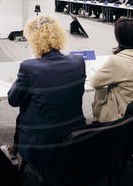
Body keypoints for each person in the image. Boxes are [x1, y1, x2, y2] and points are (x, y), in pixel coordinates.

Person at [8, 16, 86, 167]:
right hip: (75, 135)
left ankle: (12, 153)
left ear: (34, 40)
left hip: (41, 143)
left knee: (25, 107)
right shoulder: (78, 62)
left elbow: (13, 100)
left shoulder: (29, 67)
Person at [90, 17, 133, 122]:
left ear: (119, 38)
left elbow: (94, 83)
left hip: (124, 121)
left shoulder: (117, 61)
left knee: (103, 91)